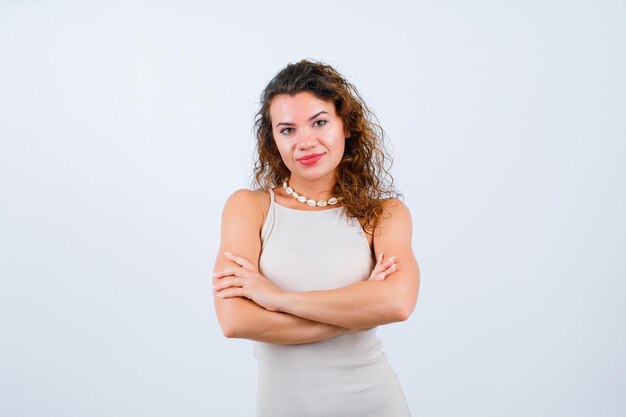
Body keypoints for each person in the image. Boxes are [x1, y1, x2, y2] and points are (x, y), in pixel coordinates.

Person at [212, 59, 420, 417]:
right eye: (288, 130)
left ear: (347, 126)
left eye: (320, 122)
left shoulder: (383, 213)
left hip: (374, 403)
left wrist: (277, 298)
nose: (306, 141)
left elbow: (398, 303)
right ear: (273, 139)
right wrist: (360, 311)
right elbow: (235, 321)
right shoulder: (250, 208)